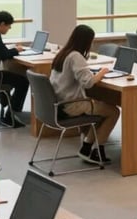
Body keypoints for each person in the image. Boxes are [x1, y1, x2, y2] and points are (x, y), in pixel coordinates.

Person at [50, 24, 121, 165]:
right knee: (113, 111)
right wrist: (102, 73)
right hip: (72, 105)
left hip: (60, 102)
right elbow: (88, 83)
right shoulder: (76, 56)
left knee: (103, 106)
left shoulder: (63, 53)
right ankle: (95, 151)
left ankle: (87, 146)